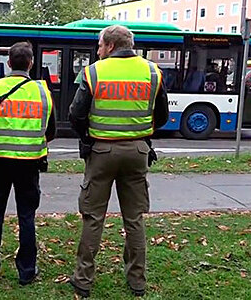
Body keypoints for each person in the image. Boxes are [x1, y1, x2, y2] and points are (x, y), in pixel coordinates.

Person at [68, 25, 169, 298]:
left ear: (110, 46)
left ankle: (83, 280)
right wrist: (138, 133)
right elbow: (161, 116)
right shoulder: (152, 72)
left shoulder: (94, 72)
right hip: (137, 152)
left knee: (93, 218)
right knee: (134, 219)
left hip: (101, 152)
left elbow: (76, 114)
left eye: (100, 45)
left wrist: (88, 137)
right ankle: (137, 280)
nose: (98, 50)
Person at [0, 41, 56, 286]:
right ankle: (27, 271)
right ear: (31, 63)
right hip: (29, 164)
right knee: (27, 215)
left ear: (9, 63)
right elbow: (49, 131)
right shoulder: (43, 92)